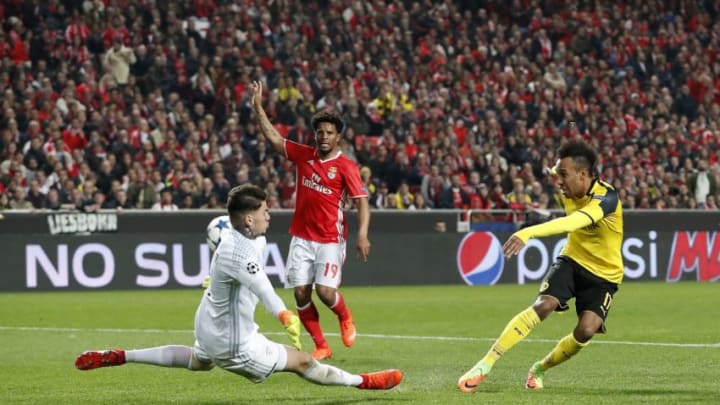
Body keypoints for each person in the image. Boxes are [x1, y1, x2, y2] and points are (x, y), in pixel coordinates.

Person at [75, 184, 402, 391]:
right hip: (235, 344)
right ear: (248, 219)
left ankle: (122, 356)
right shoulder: (238, 250)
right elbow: (262, 288)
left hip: (208, 324)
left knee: (200, 361)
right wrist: (285, 314)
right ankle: (364, 383)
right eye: (263, 211)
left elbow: (240, 271)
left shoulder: (241, 238)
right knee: (302, 362)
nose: (269, 215)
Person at [458, 140, 624, 392]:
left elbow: (573, 222)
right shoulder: (570, 184)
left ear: (583, 175)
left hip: (605, 275)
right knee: (544, 304)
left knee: (586, 330)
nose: (558, 181)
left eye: (564, 175)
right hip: (572, 260)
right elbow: (553, 171)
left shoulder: (606, 198)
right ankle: (484, 364)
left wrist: (528, 233)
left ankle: (539, 369)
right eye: (557, 175)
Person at [251, 81, 371, 360]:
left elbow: (362, 201)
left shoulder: (346, 166)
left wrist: (362, 234)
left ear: (337, 137)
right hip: (302, 236)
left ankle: (344, 315)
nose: (324, 136)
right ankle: (322, 345)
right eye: (320, 132)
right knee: (301, 294)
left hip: (330, 237)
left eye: (329, 132)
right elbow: (273, 138)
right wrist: (258, 107)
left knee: (326, 292)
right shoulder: (304, 155)